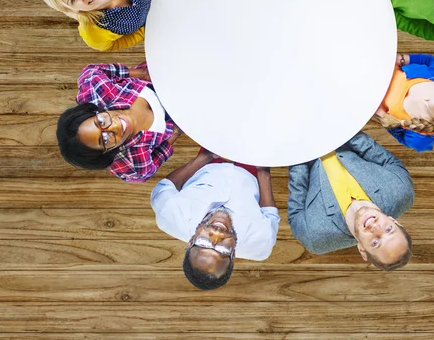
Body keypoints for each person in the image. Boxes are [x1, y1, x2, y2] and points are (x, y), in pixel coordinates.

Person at [151, 149, 280, 290]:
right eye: (222, 249)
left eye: (203, 242)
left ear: (190, 243)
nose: (217, 234)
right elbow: (270, 215)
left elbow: (165, 187)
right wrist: (263, 172)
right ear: (233, 255)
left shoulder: (169, 215)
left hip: (210, 165)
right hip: (250, 173)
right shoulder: (261, 243)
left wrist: (202, 158)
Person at [288, 132, 414, 270]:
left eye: (375, 242)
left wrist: (298, 145)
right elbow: (386, 160)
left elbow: (296, 210)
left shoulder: (315, 238)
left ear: (362, 250)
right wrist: (341, 128)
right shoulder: (401, 190)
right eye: (389, 229)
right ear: (395, 221)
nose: (375, 227)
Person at [56, 62, 181, 183]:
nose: (116, 126)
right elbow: (145, 173)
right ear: (107, 152)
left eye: (101, 121)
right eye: (105, 140)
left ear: (94, 112)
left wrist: (142, 73)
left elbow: (89, 72)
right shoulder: (132, 164)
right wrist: (175, 132)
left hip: (168, 71)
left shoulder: (96, 91)